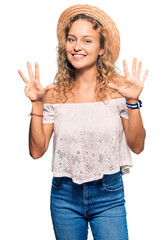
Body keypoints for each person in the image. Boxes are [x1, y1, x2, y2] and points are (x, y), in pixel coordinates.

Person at [18, 4, 148, 240]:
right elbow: (36, 151)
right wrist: (37, 103)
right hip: (64, 196)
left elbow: (137, 146)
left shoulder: (119, 89)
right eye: (71, 39)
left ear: (101, 48)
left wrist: (132, 102)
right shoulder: (54, 93)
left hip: (108, 194)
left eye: (87, 41)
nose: (77, 47)